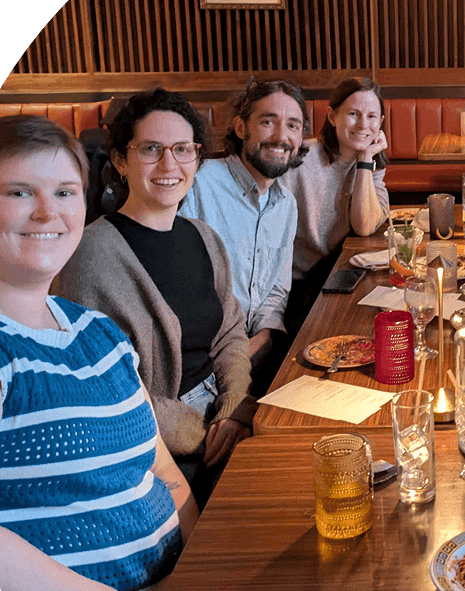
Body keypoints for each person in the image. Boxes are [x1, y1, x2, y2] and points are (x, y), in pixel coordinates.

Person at [0, 115, 197, 591]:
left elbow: (165, 474)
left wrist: (201, 581)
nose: (47, 214)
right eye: (19, 192)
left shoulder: (95, 331)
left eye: (64, 193)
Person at [55, 89, 255, 499]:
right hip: (157, 445)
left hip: (223, 414)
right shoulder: (91, 255)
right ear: (120, 161)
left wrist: (235, 406)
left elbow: (231, 333)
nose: (170, 164)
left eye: (183, 149)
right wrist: (207, 434)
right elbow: (109, 388)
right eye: (151, 149)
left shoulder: (203, 236)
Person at [178, 79, 307, 395]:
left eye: (293, 125)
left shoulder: (286, 204)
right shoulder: (199, 183)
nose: (281, 136)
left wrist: (265, 335)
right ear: (240, 127)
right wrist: (236, 360)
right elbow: (183, 297)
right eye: (268, 122)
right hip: (202, 373)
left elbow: (276, 288)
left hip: (258, 354)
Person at [283, 77, 390, 332]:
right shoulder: (300, 161)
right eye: (353, 114)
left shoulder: (371, 163)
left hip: (336, 275)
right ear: (332, 117)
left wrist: (365, 160)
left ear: (381, 123)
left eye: (372, 116)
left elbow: (364, 225)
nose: (364, 124)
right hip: (296, 288)